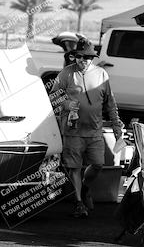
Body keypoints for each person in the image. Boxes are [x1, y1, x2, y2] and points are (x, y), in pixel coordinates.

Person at [51, 39, 124, 218]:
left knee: (98, 164)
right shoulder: (66, 74)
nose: (84, 61)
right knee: (74, 167)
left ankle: (84, 188)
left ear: (92, 58)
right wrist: (66, 103)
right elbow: (52, 98)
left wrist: (116, 126)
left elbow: (110, 103)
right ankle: (78, 202)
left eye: (88, 58)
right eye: (80, 57)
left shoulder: (101, 75)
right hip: (72, 130)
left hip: (94, 130)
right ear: (75, 57)